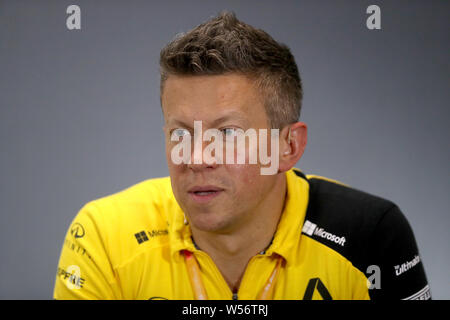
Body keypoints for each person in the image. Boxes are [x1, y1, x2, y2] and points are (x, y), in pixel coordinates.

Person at [53, 11, 430, 300]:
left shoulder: (371, 234)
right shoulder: (104, 233)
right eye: (180, 133)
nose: (196, 158)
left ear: (288, 147)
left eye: (228, 133)